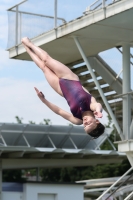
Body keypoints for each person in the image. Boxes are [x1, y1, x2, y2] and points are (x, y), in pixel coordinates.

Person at [21, 37, 105, 139]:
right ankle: (29, 44)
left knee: (43, 67)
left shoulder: (77, 120)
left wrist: (43, 100)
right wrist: (99, 111)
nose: (85, 123)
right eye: (89, 124)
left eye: (84, 126)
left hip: (61, 89)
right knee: (46, 60)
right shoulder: (92, 108)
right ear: (96, 120)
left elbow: (59, 111)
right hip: (70, 78)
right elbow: (98, 105)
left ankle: (27, 48)